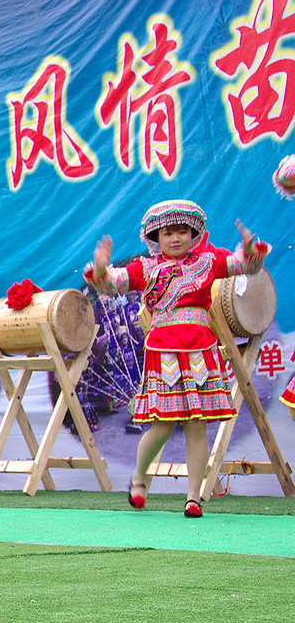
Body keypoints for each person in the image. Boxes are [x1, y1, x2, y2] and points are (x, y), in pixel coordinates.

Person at [86, 200, 268, 517]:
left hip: (199, 349)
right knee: (162, 426)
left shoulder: (211, 261)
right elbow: (111, 284)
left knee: (197, 425)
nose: (175, 239)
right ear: (156, 237)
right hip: (164, 351)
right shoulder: (147, 268)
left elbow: (247, 268)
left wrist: (251, 249)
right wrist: (101, 267)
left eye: (183, 231)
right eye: (168, 233)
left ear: (194, 233)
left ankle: (194, 496)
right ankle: (140, 479)